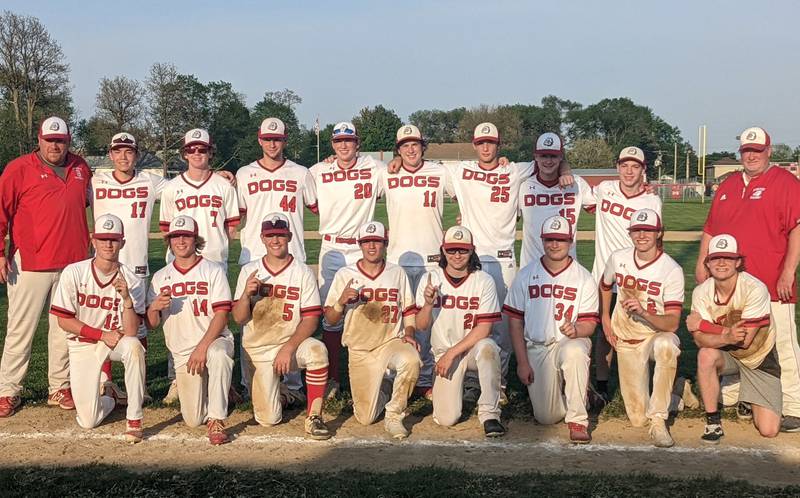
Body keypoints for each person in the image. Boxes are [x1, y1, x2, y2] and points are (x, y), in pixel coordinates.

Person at [697, 126, 800, 433]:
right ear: (740, 153)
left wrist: (788, 271)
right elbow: (711, 229)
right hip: (731, 288)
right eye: (746, 151)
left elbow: (797, 228)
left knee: (780, 343)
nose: (751, 156)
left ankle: (793, 404)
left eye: (757, 150)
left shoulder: (786, 182)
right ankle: (746, 396)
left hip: (771, 281)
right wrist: (702, 264)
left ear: (769, 151)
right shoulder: (728, 185)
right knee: (736, 341)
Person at [0, 116, 92, 417]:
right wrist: (1, 252)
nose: (55, 145)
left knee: (63, 330)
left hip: (73, 264)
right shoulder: (18, 169)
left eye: (61, 140)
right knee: (20, 329)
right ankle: (9, 389)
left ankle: (59, 386)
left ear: (68, 141)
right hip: (30, 262)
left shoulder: (81, 167)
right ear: (38, 140)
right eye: (50, 140)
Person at [234, 118, 318, 406]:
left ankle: (293, 385)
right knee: (253, 324)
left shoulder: (301, 172)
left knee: (292, 317)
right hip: (255, 257)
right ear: (259, 140)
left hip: (292, 256)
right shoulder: (244, 174)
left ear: (285, 141)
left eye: (278, 139)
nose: (272, 143)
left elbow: (320, 205)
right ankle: (251, 382)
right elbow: (236, 212)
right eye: (267, 139)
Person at [158, 128, 240, 403]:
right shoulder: (171, 189)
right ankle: (176, 378)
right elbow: (165, 228)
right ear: (184, 153)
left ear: (210, 152)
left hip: (214, 260)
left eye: (202, 149)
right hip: (178, 263)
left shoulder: (223, 185)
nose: (196, 154)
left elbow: (232, 225)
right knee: (177, 321)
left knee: (216, 318)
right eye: (191, 149)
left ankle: (222, 376)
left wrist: (217, 247)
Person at [232, 213, 330, 440]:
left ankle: (314, 416)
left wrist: (288, 348)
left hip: (291, 345)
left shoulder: (302, 271)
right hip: (258, 350)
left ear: (289, 236)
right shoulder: (250, 270)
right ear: (262, 238)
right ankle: (287, 395)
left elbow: (311, 319)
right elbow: (238, 319)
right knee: (268, 420)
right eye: (270, 235)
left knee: (317, 351)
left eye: (280, 235)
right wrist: (246, 296)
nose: (275, 240)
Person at [49, 214, 146, 442]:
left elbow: (132, 331)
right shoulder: (74, 272)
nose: (108, 244)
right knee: (88, 421)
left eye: (113, 239)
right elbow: (63, 320)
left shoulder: (132, 279)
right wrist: (101, 334)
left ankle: (134, 418)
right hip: (84, 344)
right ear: (94, 241)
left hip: (117, 342)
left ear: (122, 242)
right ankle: (110, 396)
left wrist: (127, 300)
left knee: (133, 348)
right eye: (103, 239)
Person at [504, 216, 598, 443]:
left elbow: (591, 324)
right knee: (546, 417)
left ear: (571, 241)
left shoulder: (583, 278)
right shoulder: (526, 274)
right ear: (542, 240)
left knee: (575, 352)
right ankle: (579, 390)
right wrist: (523, 362)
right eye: (550, 239)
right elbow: (515, 321)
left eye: (561, 240)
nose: (555, 244)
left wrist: (577, 329)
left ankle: (578, 419)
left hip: (569, 341)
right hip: (538, 346)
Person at [323, 221, 419, 439]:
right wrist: (341, 302)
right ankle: (385, 386)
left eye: (376, 241)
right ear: (360, 244)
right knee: (365, 418)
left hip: (390, 341)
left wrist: (410, 334)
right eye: (367, 242)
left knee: (411, 359)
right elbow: (330, 318)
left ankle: (394, 414)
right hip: (360, 350)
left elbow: (409, 310)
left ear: (385, 243)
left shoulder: (397, 273)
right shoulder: (345, 274)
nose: (372, 247)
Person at [377, 124, 454, 399]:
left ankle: (424, 379)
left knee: (428, 324)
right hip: (397, 260)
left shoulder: (441, 172)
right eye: (405, 146)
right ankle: (392, 376)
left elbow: (469, 188)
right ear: (398, 150)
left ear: (423, 146)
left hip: (432, 260)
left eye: (415, 144)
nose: (411, 149)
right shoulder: (385, 173)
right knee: (395, 323)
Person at [310, 122, 386, 397]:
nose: (344, 146)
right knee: (332, 314)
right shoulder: (318, 171)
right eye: (338, 141)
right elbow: (305, 197)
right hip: (332, 247)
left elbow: (398, 172)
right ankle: (332, 378)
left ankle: (373, 372)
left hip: (362, 247)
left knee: (370, 310)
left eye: (349, 141)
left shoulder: (374, 166)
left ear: (357, 143)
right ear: (332, 144)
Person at [146, 215, 235, 445]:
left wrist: (202, 347)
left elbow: (222, 314)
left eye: (186, 236)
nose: (181, 241)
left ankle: (216, 418)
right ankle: (221, 388)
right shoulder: (160, 277)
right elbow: (151, 324)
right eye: (176, 236)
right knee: (193, 419)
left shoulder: (212, 270)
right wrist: (154, 307)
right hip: (182, 352)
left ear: (196, 239)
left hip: (214, 339)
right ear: (169, 241)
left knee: (218, 355)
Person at [599, 209, 684, 447]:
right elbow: (605, 285)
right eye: (637, 230)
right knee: (637, 418)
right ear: (630, 234)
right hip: (627, 337)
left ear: (659, 233)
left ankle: (659, 420)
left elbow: (673, 323)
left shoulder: (671, 270)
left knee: (667, 345)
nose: (642, 235)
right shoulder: (619, 258)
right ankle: (677, 391)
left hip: (657, 334)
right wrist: (605, 317)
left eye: (648, 230)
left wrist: (645, 313)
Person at [687, 234, 781, 442]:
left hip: (759, 358)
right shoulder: (701, 292)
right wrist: (726, 335)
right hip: (728, 355)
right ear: (708, 263)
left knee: (769, 429)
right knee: (705, 355)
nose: (721, 263)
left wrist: (704, 326)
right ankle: (713, 422)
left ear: (738, 262)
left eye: (728, 258)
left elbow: (745, 341)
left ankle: (745, 396)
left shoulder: (754, 288)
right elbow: (700, 341)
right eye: (716, 258)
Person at [415, 225, 505, 437]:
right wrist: (428, 305)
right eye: (452, 249)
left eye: (463, 250)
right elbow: (421, 325)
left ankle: (490, 413)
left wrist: (452, 353)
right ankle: (464, 389)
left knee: (488, 348)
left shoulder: (483, 280)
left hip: (470, 350)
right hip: (444, 353)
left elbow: (485, 328)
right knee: (446, 419)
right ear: (443, 250)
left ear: (472, 250)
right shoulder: (431, 279)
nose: (457, 255)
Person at [590, 146, 662, 402]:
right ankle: (602, 384)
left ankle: (646, 381)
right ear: (617, 167)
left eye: (635, 166)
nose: (629, 171)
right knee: (603, 331)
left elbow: (656, 239)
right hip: (604, 275)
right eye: (624, 165)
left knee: (641, 328)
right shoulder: (603, 189)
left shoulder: (652, 200)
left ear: (643, 170)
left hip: (635, 276)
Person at [518, 132, 595, 268]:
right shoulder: (523, 186)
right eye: (544, 156)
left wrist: (640, 189)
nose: (548, 161)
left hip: (568, 269)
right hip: (531, 267)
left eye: (553, 156)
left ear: (560, 157)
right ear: (536, 157)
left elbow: (607, 203)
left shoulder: (577, 184)